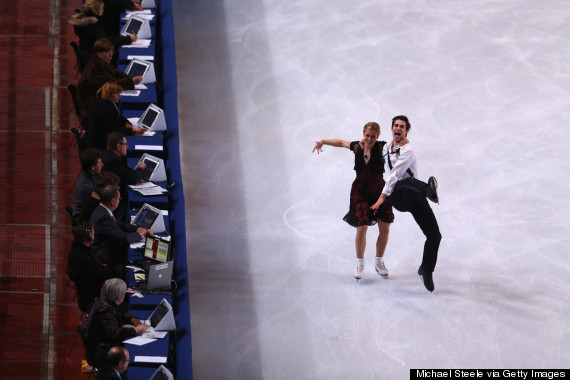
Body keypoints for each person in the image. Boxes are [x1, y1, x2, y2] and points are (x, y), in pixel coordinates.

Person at [313, 122, 407, 280]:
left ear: (377, 137)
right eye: (367, 135)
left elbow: (395, 144)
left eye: (373, 136)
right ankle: (360, 263)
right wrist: (323, 141)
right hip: (360, 191)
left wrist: (404, 140)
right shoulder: (357, 146)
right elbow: (342, 142)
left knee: (384, 229)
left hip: (379, 191)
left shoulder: (381, 147)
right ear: (364, 134)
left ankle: (379, 262)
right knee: (361, 227)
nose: (369, 138)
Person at [371, 115, 441, 292]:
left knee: (434, 235)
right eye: (396, 125)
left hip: (415, 196)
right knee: (403, 183)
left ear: (406, 131)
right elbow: (393, 175)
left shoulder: (408, 149)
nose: (398, 128)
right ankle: (428, 189)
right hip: (399, 197)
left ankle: (426, 269)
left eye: (402, 126)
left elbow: (397, 172)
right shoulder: (386, 147)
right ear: (392, 128)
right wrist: (382, 197)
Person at [90, 184, 151, 277]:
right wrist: (140, 234)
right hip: (106, 259)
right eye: (119, 198)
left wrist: (137, 228)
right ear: (113, 201)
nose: (119, 200)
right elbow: (123, 238)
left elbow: (119, 224)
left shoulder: (102, 209)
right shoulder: (103, 217)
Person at [77, 38, 142, 123]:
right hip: (93, 107)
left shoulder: (101, 62)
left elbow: (116, 73)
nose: (111, 56)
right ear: (99, 54)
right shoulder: (95, 68)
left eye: (112, 53)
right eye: (108, 53)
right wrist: (131, 81)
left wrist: (129, 78)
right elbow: (112, 84)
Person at [86, 278, 147, 367]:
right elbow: (116, 332)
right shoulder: (105, 312)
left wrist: (133, 319)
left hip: (101, 343)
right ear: (119, 296)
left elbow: (119, 313)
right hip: (102, 350)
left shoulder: (105, 302)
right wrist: (136, 330)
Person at [69, 0, 137, 70]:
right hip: (93, 59)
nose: (103, 11)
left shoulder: (88, 21)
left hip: (87, 54)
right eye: (101, 8)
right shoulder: (92, 26)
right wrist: (128, 39)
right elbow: (106, 41)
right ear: (95, 10)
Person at [82, 81, 145, 151]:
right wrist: (133, 131)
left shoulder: (106, 102)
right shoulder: (103, 108)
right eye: (117, 93)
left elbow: (117, 116)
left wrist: (126, 122)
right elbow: (113, 129)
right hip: (97, 146)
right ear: (109, 94)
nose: (120, 96)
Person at [67, 221, 112, 312]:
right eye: (93, 232)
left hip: (87, 289)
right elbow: (105, 276)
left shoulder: (77, 246)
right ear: (89, 237)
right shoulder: (84, 260)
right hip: (92, 297)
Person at [102, 132, 146, 220]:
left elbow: (125, 172)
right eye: (125, 144)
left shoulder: (112, 155)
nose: (127, 146)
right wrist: (140, 168)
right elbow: (132, 179)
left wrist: (134, 173)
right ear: (118, 146)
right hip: (115, 202)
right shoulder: (113, 162)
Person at [73, 148, 103, 220]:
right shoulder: (87, 187)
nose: (102, 164)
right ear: (93, 167)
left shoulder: (89, 175)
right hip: (86, 222)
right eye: (100, 163)